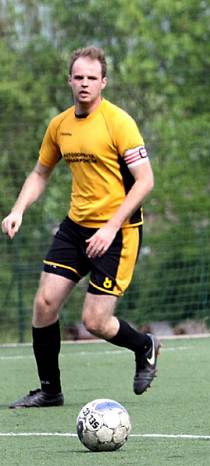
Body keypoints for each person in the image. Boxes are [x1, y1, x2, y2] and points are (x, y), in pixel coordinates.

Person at [2, 46, 160, 408]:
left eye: (92, 77)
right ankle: (50, 389)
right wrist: (18, 210)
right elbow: (41, 172)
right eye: (78, 77)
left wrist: (109, 227)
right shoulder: (60, 125)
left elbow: (145, 181)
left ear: (103, 82)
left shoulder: (119, 122)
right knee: (44, 304)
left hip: (118, 233)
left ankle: (145, 345)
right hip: (75, 228)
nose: (84, 83)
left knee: (95, 322)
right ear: (69, 81)